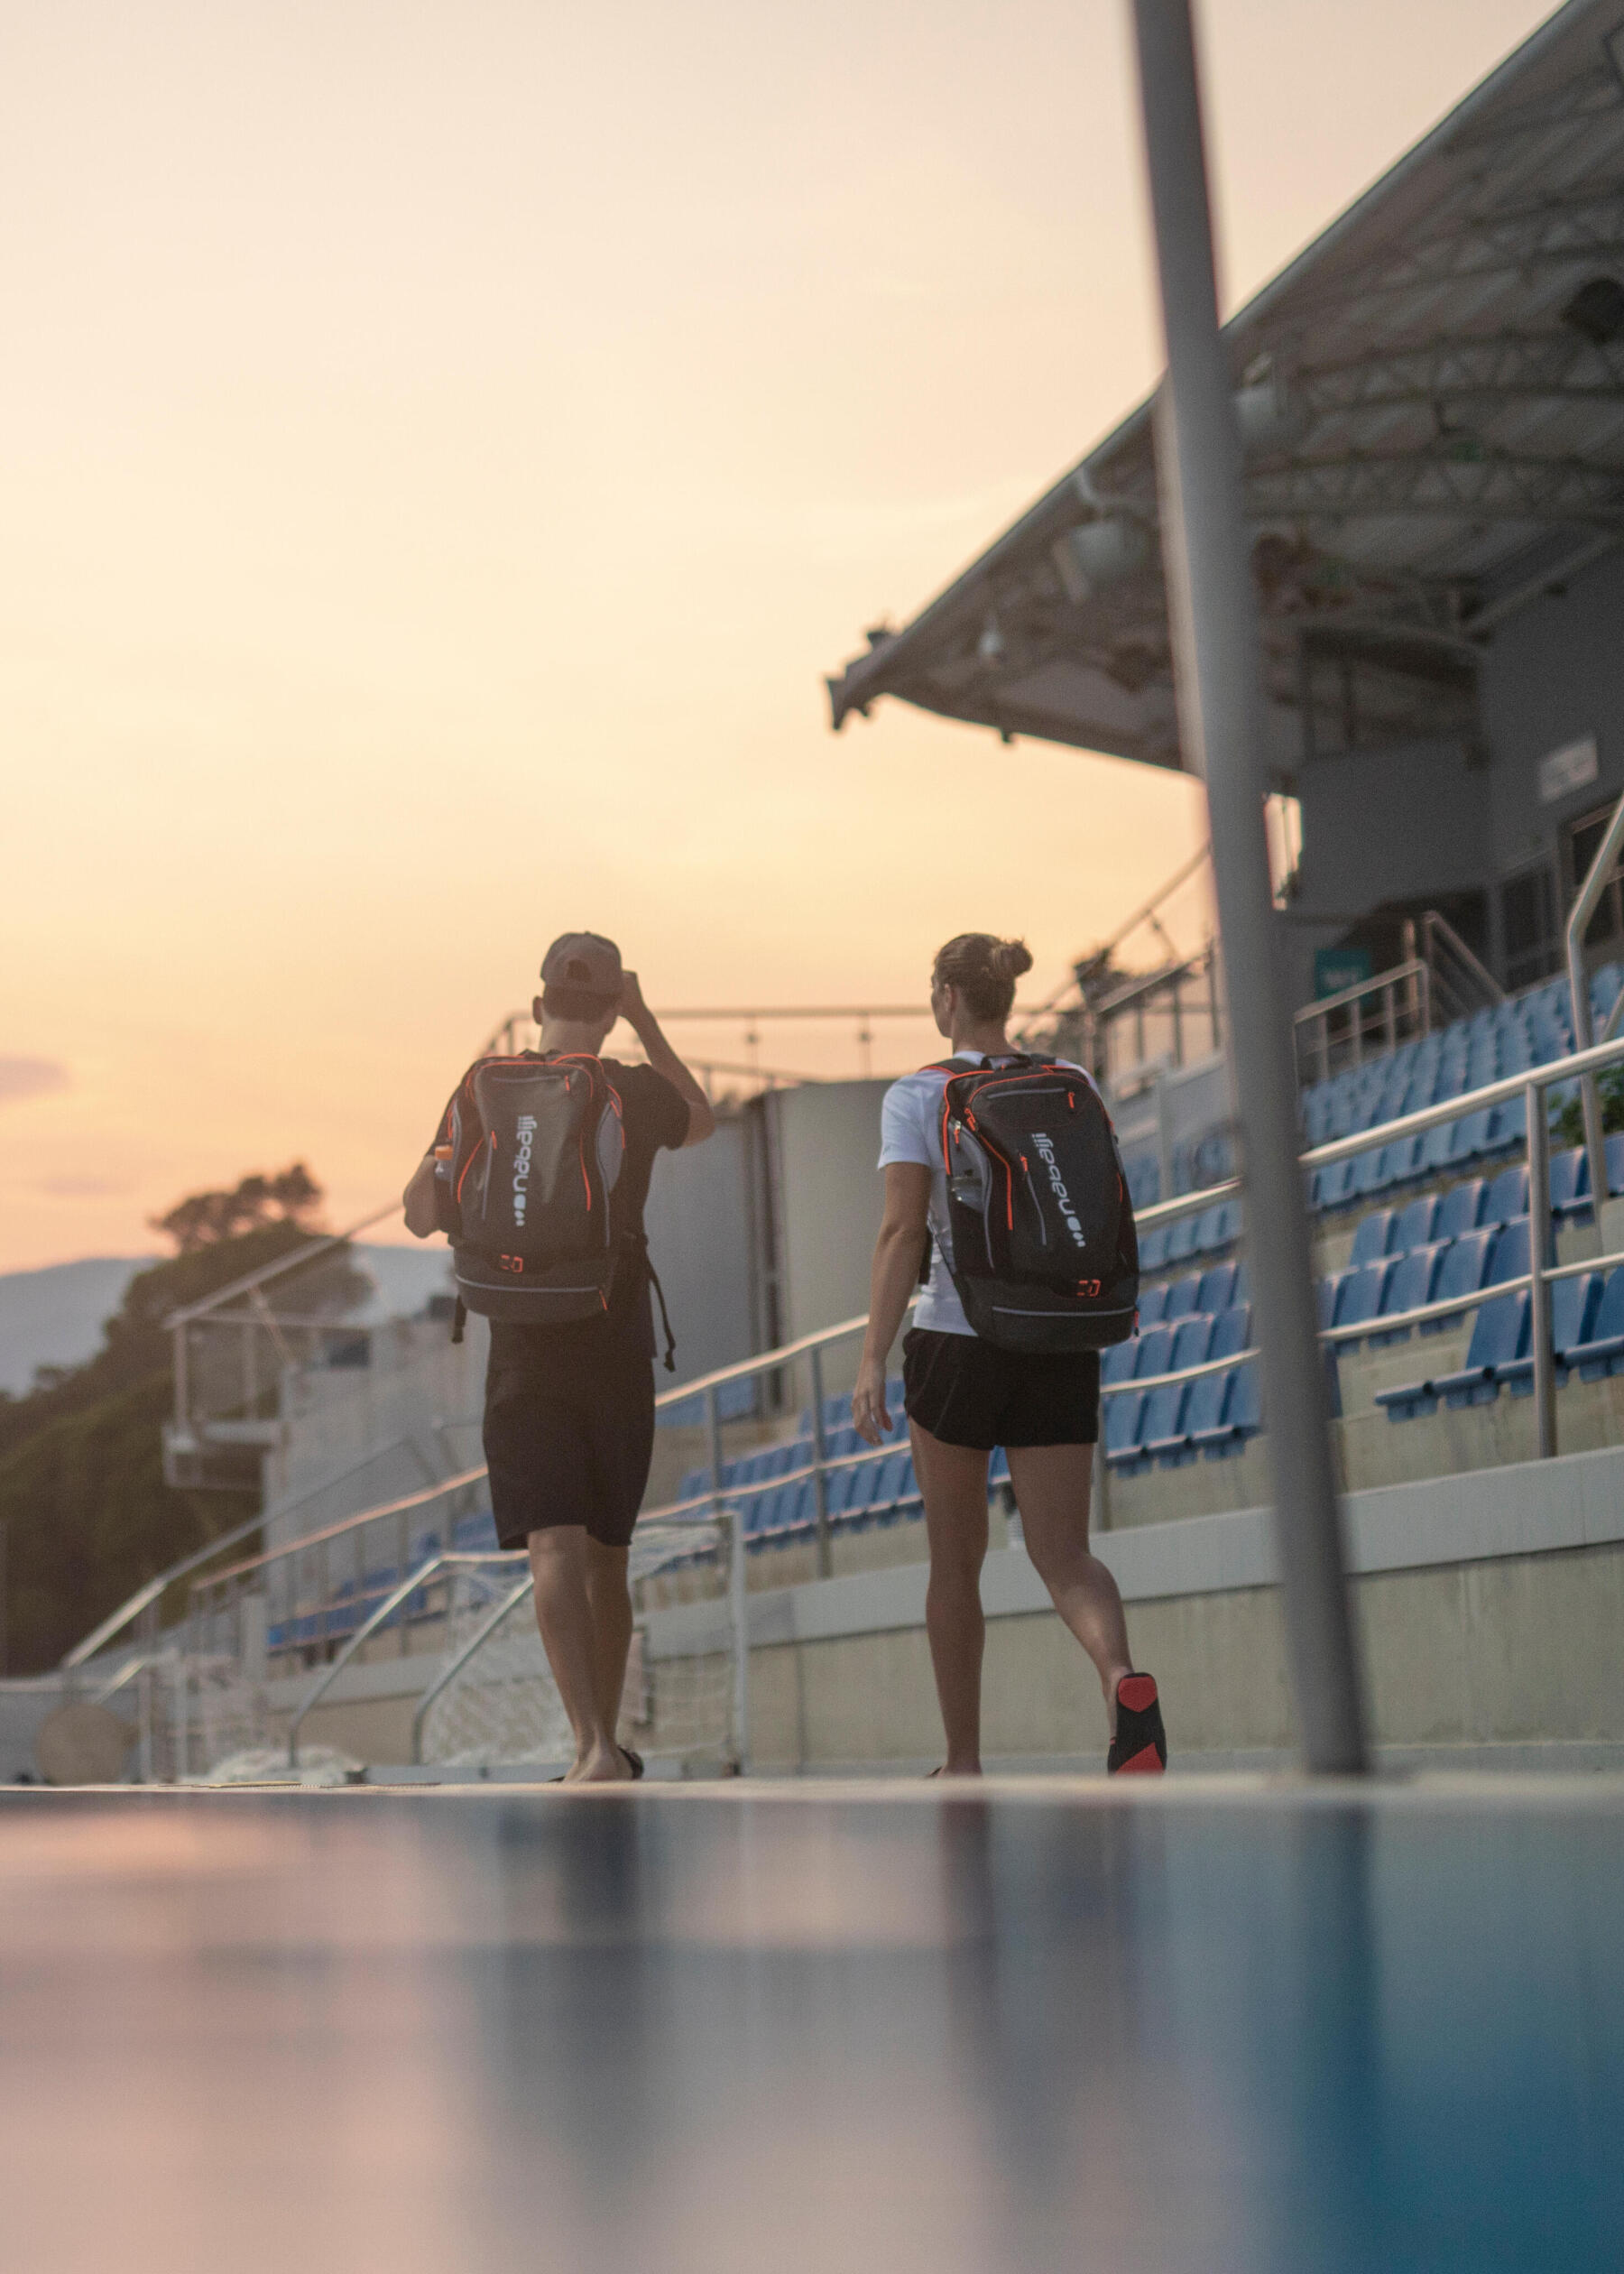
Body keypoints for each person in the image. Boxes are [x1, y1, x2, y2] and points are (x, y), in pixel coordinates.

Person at [852, 931, 1167, 1777]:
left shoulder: (919, 1093)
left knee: (956, 1564)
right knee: (1065, 1554)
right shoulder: (1073, 1082)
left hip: (959, 1341)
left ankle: (962, 1759)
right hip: (1062, 1336)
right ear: (1007, 998)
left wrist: (871, 1356)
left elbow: (900, 1230)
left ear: (947, 999)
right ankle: (1122, 1678)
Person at [403, 932, 715, 1782]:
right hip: (612, 1345)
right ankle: (607, 1741)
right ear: (612, 1009)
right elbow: (703, 1118)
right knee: (609, 1554)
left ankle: (585, 1745)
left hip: (522, 1352)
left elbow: (422, 1215)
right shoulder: (631, 1088)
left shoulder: (481, 1089)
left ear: (539, 1006)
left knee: (553, 1550)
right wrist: (648, 1022)